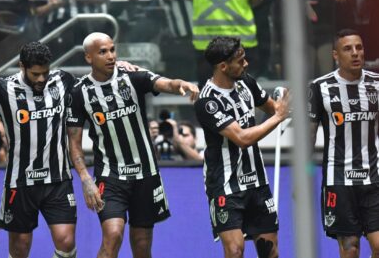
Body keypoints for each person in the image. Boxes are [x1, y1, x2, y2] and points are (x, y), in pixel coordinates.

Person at [66, 32, 199, 258]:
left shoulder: (133, 76)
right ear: (88, 58)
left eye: (112, 50)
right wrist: (85, 179)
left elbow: (164, 83)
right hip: (110, 176)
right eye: (103, 52)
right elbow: (75, 143)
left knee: (142, 244)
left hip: (146, 174)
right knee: (113, 234)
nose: (110, 56)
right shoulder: (79, 93)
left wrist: (181, 84)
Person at [0, 41, 80, 258]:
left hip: (58, 179)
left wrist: (124, 68)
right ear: (21, 66)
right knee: (20, 247)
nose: (41, 79)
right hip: (20, 182)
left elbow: (92, 87)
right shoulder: (2, 87)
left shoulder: (63, 80)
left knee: (67, 241)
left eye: (45, 72)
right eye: (35, 74)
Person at [194, 36, 289, 258]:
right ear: (223, 66)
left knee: (270, 251)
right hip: (225, 185)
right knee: (235, 250)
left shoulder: (246, 82)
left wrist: (284, 107)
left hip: (257, 182)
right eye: (240, 60)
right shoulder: (207, 102)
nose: (246, 64)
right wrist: (278, 118)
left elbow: (272, 108)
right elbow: (242, 138)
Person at [308, 29, 379, 258]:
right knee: (350, 248)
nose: (356, 53)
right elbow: (308, 136)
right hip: (338, 180)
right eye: (348, 49)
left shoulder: (376, 83)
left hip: (373, 178)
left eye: (359, 47)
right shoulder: (319, 88)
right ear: (335, 55)